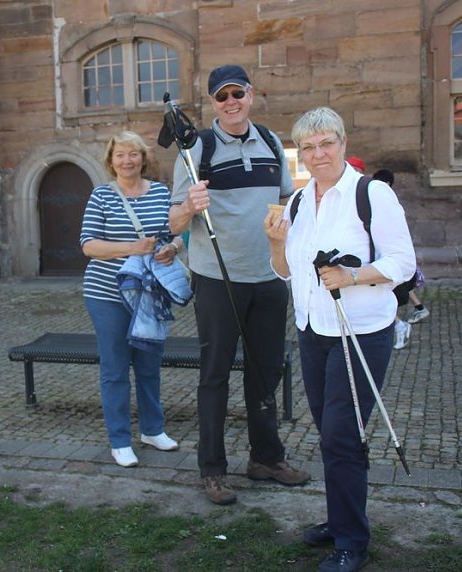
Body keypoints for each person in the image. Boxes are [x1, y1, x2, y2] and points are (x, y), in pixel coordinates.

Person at [266, 107, 415, 572]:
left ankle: (352, 540)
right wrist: (274, 243)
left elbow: (402, 263)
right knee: (332, 435)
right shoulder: (296, 202)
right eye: (307, 147)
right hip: (313, 331)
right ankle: (339, 519)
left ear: (343, 143)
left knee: (342, 436)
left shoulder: (372, 194)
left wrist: (352, 275)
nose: (317, 153)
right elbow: (286, 272)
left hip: (361, 333)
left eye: (325, 143)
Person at [169, 64, 310, 506]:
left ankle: (265, 458)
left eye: (237, 93)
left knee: (265, 372)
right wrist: (190, 207)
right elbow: (172, 223)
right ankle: (213, 469)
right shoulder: (195, 150)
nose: (230, 102)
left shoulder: (271, 141)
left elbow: (287, 198)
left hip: (269, 275)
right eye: (221, 96)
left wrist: (286, 232)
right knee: (214, 376)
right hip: (217, 280)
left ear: (251, 94)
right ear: (212, 103)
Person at [80, 131, 184, 468]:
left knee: (149, 365)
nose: (127, 161)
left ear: (143, 158)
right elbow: (88, 246)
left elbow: (175, 235)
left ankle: (153, 430)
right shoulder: (101, 196)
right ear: (111, 161)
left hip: (148, 293)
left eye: (133, 154)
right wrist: (131, 248)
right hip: (107, 294)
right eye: (120, 155)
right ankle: (120, 439)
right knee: (115, 369)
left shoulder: (160, 193)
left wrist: (172, 248)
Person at [371, 169, 430, 330]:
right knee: (403, 285)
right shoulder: (382, 196)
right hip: (392, 254)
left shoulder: (385, 199)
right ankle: (418, 309)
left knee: (386, 289)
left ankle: (398, 324)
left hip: (390, 254)